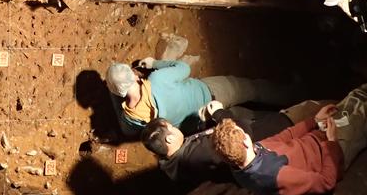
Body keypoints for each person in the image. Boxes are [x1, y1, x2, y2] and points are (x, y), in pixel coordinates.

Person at [211, 68, 367, 195]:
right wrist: (331, 143)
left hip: (319, 135)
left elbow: (286, 136)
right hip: (335, 149)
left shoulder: (245, 158)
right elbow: (325, 182)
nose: (246, 132)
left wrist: (314, 121)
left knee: (355, 97)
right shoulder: (274, 176)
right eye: (242, 132)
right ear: (245, 143)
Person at [106, 58, 294, 137]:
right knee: (255, 89)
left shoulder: (134, 119)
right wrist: (155, 62)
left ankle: (288, 120)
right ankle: (295, 96)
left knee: (248, 118)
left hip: (205, 121)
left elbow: (127, 131)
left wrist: (115, 99)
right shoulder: (157, 79)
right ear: (134, 74)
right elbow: (184, 68)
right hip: (212, 91)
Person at [142, 101, 295, 183]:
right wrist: (219, 113)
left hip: (260, 136)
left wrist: (206, 125)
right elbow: (240, 136)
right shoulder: (197, 155)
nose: (175, 128)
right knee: (305, 113)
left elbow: (202, 142)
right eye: (171, 128)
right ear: (169, 139)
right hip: (270, 136)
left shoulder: (172, 159)